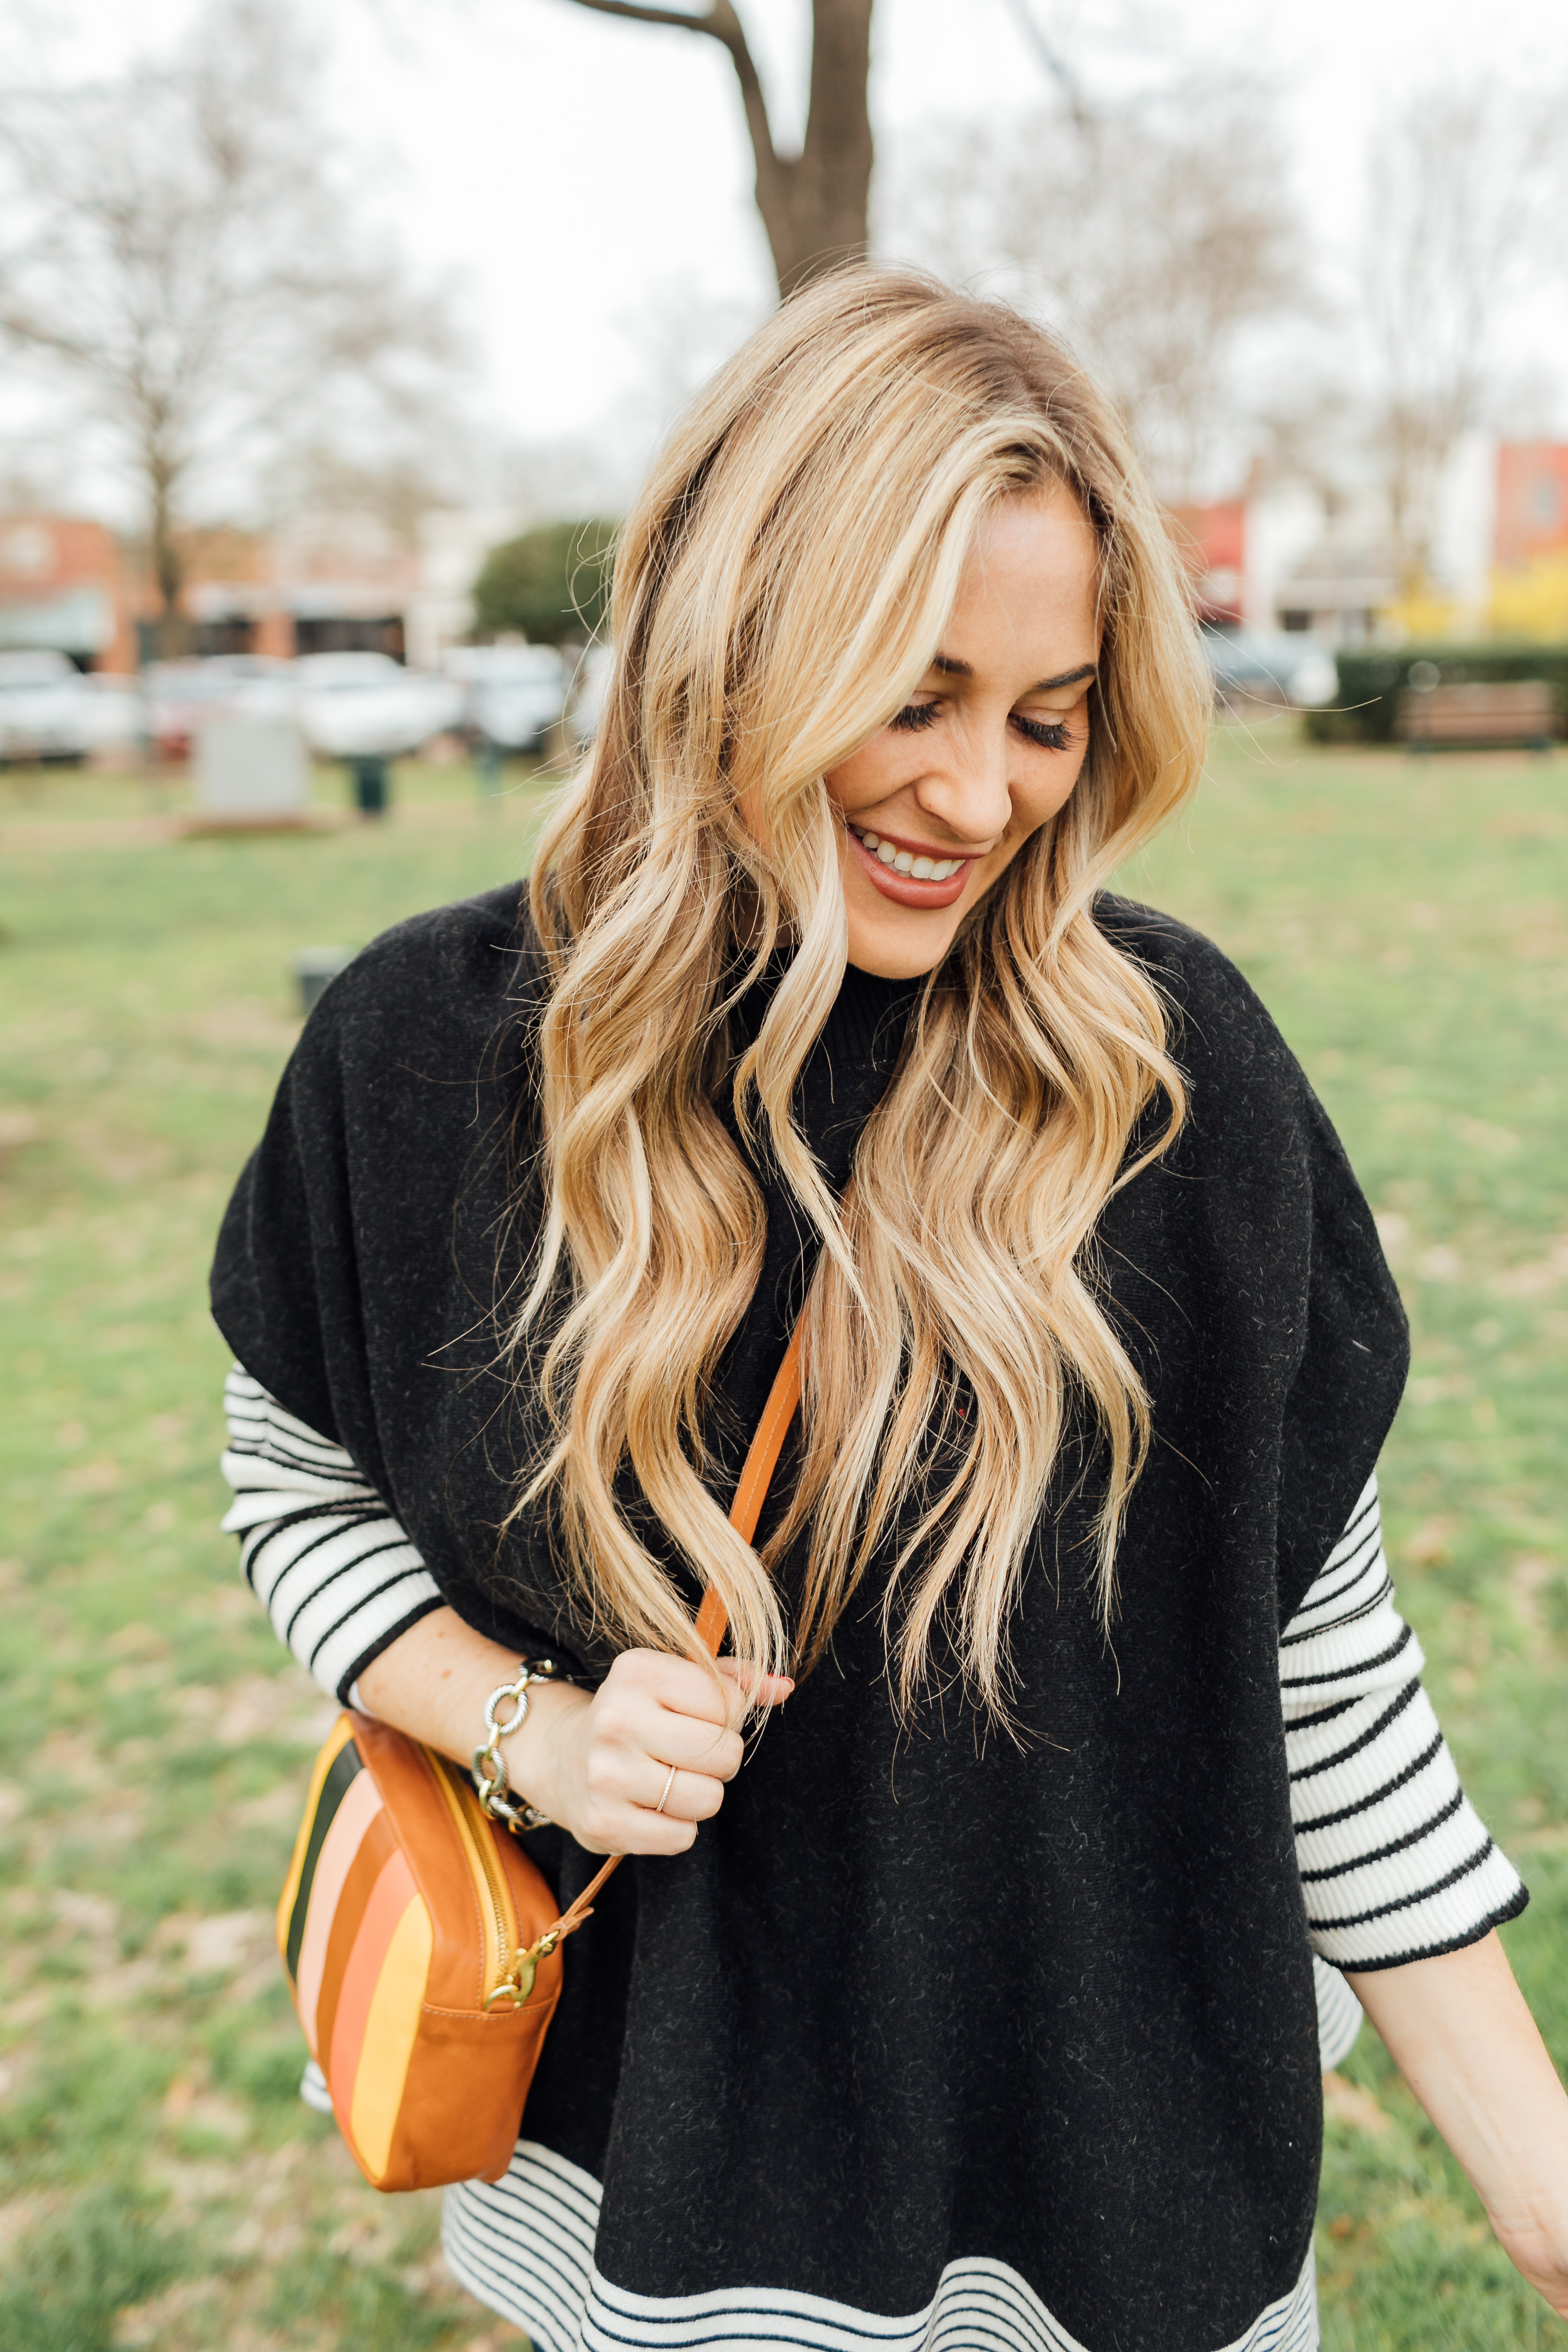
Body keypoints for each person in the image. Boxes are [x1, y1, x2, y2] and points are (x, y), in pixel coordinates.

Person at [211, 271, 1568, 2352]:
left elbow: (1318, 1658)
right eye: (913, 694)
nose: (981, 795)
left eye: (1047, 718)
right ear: (731, 636)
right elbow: (297, 1482)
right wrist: (538, 1727)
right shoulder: (428, 1056)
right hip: (672, 2219)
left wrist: (1544, 2188)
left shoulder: (1171, 1076)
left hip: (1135, 2221)